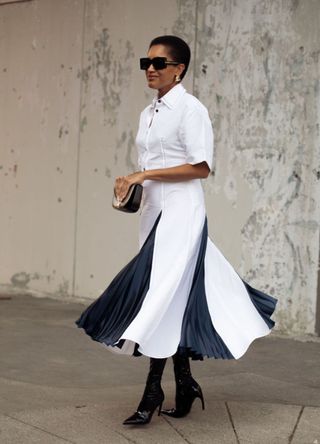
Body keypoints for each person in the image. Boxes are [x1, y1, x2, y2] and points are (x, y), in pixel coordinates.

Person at [75, 35, 278, 426]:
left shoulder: (191, 110)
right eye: (146, 63)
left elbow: (201, 167)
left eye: (159, 63)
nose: (150, 69)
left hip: (182, 214)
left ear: (179, 69)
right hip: (152, 213)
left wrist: (144, 173)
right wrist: (129, 187)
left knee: (160, 298)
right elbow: (149, 164)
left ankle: (153, 391)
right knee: (174, 296)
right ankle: (185, 382)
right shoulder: (148, 112)